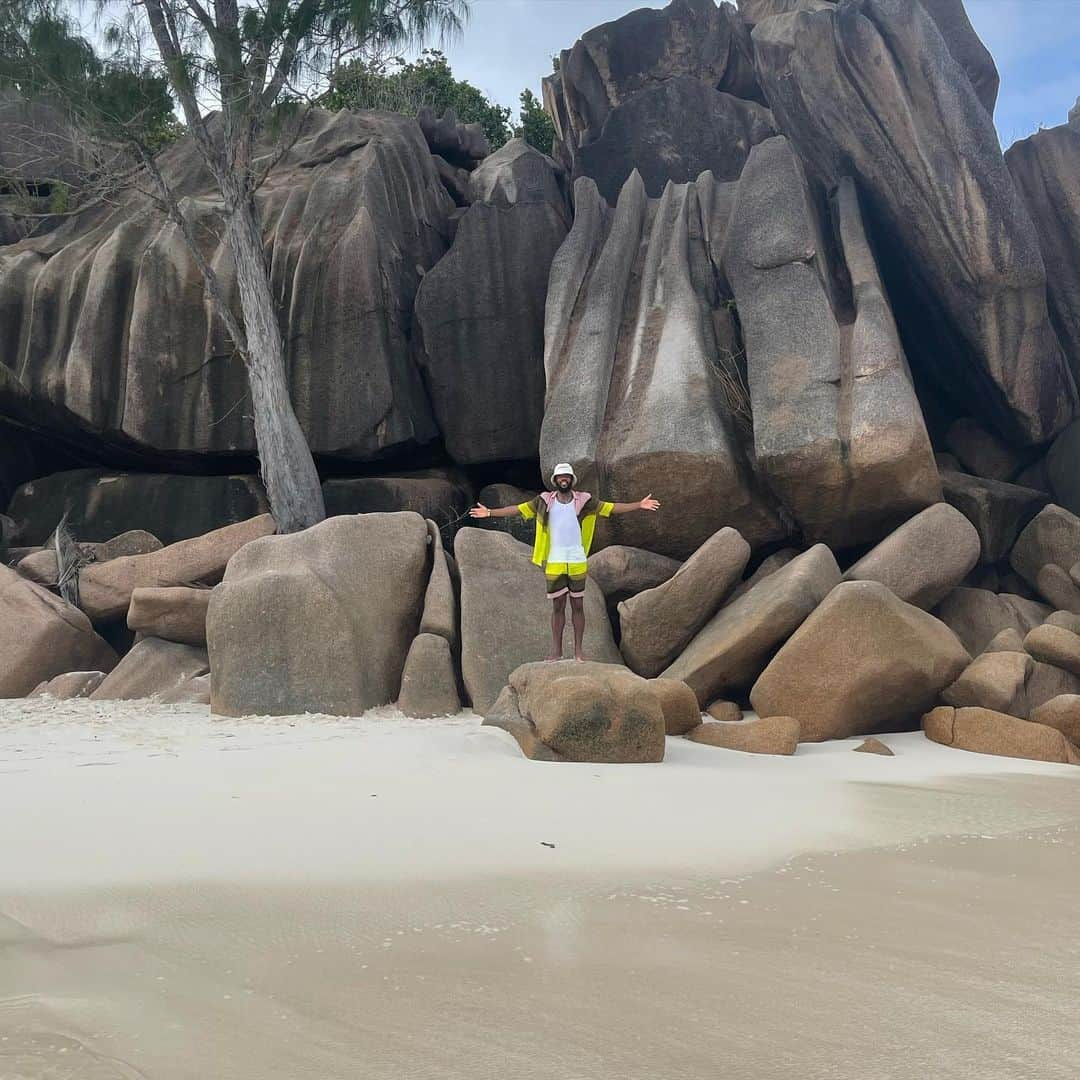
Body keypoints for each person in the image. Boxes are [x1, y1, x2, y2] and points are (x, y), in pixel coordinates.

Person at [470, 463, 660, 662]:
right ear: (555, 480)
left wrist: (638, 505)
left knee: (578, 606)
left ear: (571, 479)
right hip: (555, 560)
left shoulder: (584, 501)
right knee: (557, 606)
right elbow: (517, 509)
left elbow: (610, 508)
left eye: (566, 476)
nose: (563, 479)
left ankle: (578, 652)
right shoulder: (544, 501)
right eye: (560, 476)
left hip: (577, 559)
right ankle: (556, 651)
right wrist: (490, 512)